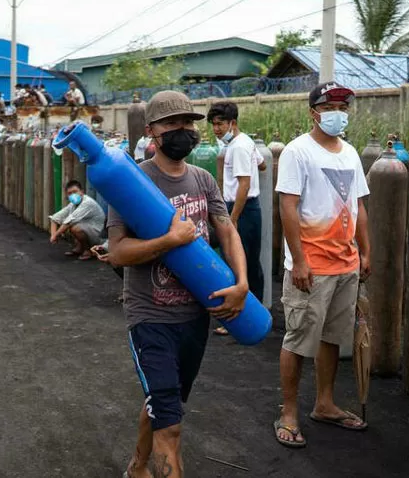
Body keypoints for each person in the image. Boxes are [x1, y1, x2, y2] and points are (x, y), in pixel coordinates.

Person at [107, 90, 249, 478]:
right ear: (152, 131)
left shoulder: (203, 179)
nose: (183, 130)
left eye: (188, 123)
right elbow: (117, 252)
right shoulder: (130, 182)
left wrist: (242, 284)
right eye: (172, 124)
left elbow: (227, 230)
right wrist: (168, 242)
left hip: (195, 316)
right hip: (150, 317)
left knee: (164, 403)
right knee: (170, 423)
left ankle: (138, 465)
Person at [274, 81, 371, 448]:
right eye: (330, 106)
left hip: (345, 263)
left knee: (332, 337)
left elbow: (360, 205)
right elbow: (287, 206)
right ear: (313, 111)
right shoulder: (297, 152)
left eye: (344, 107)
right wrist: (298, 260)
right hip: (310, 266)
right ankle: (288, 411)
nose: (338, 113)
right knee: (298, 339)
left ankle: (325, 403)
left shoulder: (350, 153)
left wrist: (367, 251)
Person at [207, 102, 264, 302]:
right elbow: (262, 164)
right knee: (249, 261)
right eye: (213, 124)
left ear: (232, 123)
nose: (216, 129)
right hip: (248, 207)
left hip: (242, 208)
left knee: (239, 262)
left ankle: (245, 313)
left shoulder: (238, 146)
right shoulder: (244, 142)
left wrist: (233, 218)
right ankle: (256, 310)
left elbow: (244, 185)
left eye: (220, 124)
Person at [48, 180, 106, 260]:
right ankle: (80, 248)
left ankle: (88, 250)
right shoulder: (73, 205)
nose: (73, 195)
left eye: (75, 192)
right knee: (71, 225)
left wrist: (56, 235)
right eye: (70, 193)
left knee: (75, 227)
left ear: (81, 192)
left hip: (99, 236)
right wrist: (53, 235)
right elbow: (55, 218)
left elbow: (69, 222)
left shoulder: (87, 202)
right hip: (90, 231)